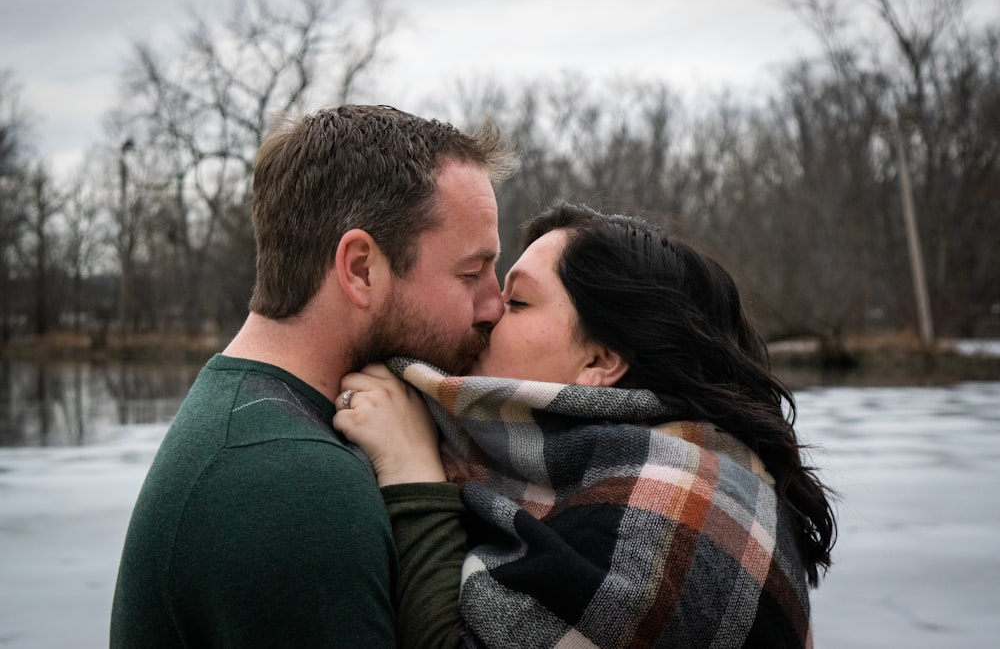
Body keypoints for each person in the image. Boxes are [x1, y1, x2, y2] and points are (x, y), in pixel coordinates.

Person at [333, 201, 837, 649]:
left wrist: (411, 470)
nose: (487, 311)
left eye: (518, 302)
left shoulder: (682, 501)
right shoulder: (549, 477)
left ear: (599, 359)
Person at [110, 104, 517, 647]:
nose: (494, 305)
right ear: (359, 269)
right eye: (471, 272)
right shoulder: (290, 483)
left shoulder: (258, 420)